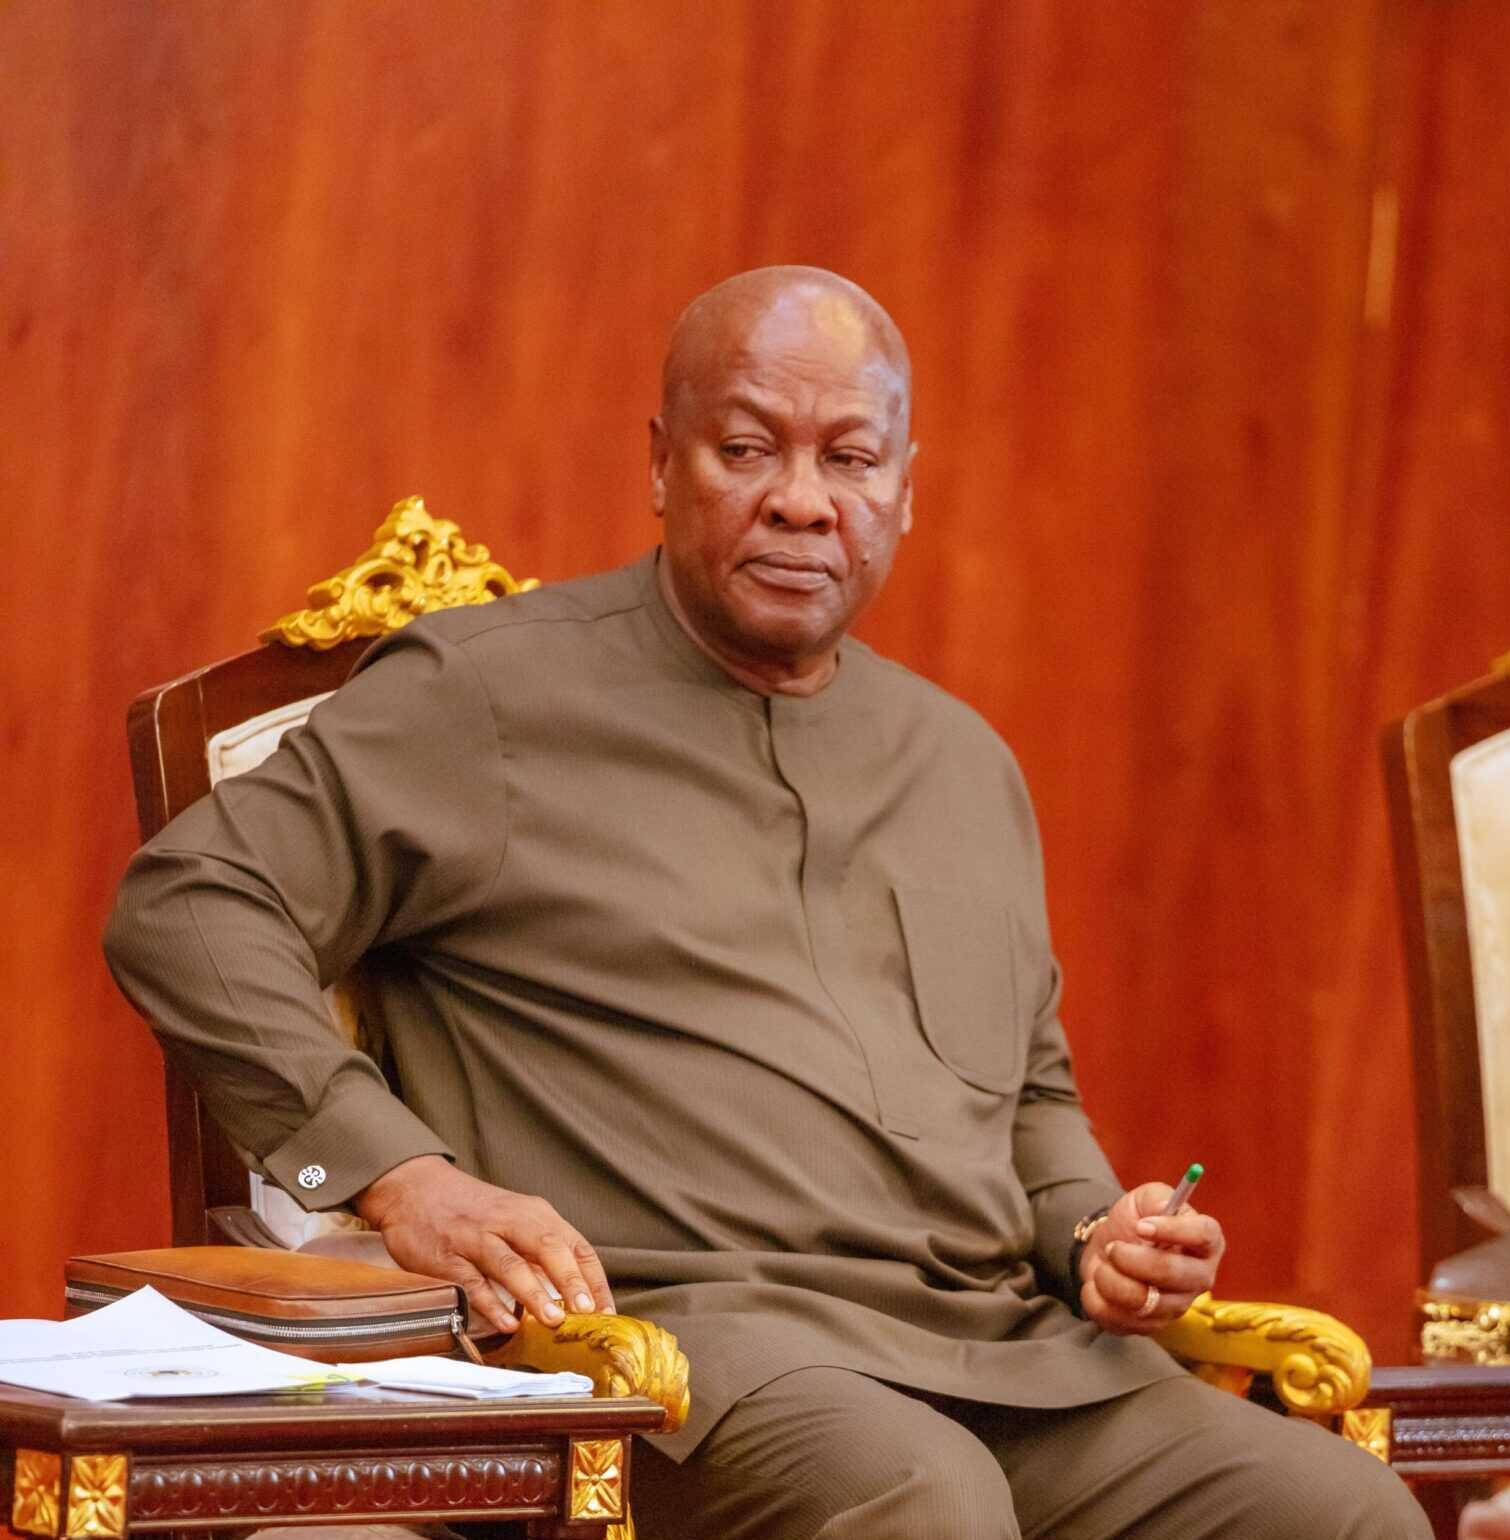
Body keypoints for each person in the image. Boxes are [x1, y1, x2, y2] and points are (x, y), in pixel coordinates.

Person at [105, 266, 1426, 1538]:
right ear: (660, 466)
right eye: (747, 451)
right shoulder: (485, 697)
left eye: (849, 460)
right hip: (686, 1351)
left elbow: (1024, 1096)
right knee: (914, 1494)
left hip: (1005, 1351)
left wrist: (1093, 1235)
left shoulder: (961, 762)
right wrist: (399, 1177)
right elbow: (189, 904)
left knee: (1340, 1510)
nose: (802, 502)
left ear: (903, 491)